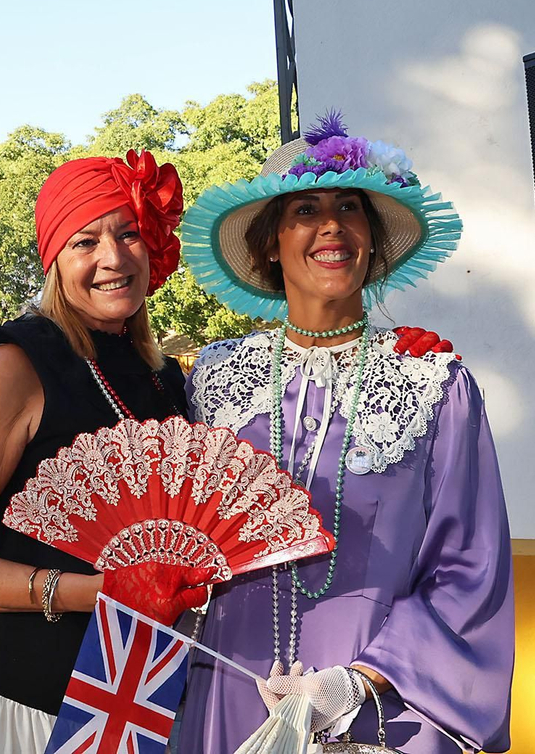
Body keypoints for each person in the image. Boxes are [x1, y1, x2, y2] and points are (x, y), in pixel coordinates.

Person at [180, 114, 514, 753]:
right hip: (231, 693)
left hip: (380, 708)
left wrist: (359, 682)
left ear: (372, 239)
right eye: (305, 208)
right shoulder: (214, 379)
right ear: (271, 245)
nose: (330, 224)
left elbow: (471, 567)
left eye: (349, 207)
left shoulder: (433, 383)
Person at [0, 150, 206, 750]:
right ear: (53, 260)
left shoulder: (161, 377)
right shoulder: (16, 363)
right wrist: (96, 592)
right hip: (16, 704)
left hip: (135, 705)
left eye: (129, 232)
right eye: (85, 241)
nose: (113, 257)